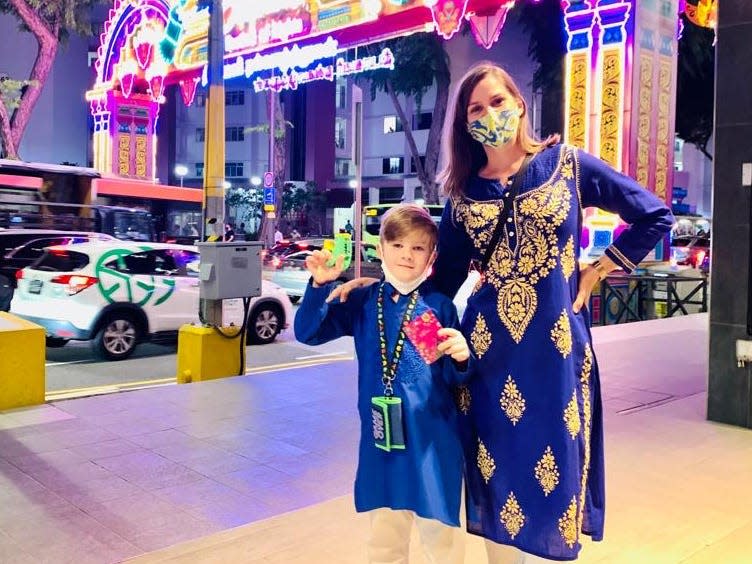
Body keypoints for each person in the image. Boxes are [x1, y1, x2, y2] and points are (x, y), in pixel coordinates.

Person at [332, 62, 674, 562]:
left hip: (553, 353)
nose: (489, 113)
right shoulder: (463, 193)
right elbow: (440, 279)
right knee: (495, 481)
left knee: (551, 476)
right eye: (475, 108)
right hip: (487, 359)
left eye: (497, 101)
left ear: (519, 102)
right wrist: (382, 283)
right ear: (463, 124)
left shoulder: (568, 165)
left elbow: (653, 214)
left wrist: (600, 267)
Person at [295, 204, 473, 564]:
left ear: (431, 256)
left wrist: (462, 358)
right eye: (398, 245)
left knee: (442, 541)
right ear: (381, 247)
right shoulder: (363, 301)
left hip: (431, 445)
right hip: (383, 442)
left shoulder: (436, 306)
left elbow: (448, 378)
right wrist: (319, 286)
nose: (407, 255)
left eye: (418, 248)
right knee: (384, 541)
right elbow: (308, 333)